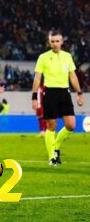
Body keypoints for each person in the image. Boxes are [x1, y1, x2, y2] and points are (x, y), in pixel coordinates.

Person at [31, 31, 84, 166]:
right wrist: (34, 96)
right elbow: (37, 78)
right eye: (52, 41)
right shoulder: (43, 57)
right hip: (50, 93)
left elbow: (72, 76)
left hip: (65, 93)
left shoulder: (67, 56)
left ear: (61, 42)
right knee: (51, 126)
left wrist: (79, 93)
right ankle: (52, 157)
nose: (55, 44)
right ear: (49, 42)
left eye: (57, 41)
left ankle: (56, 147)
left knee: (71, 125)